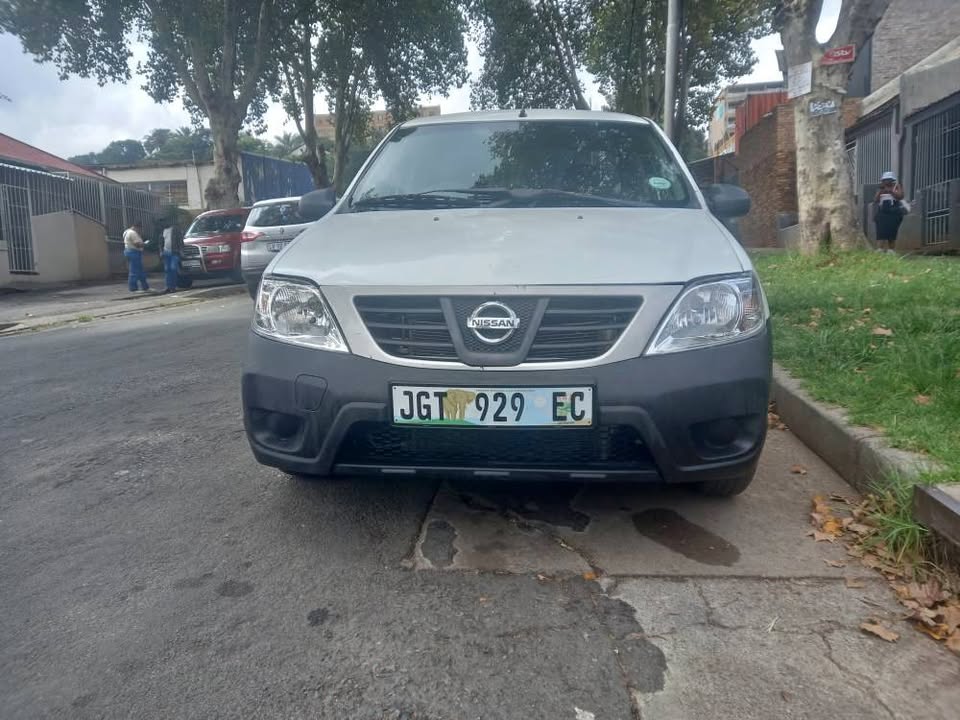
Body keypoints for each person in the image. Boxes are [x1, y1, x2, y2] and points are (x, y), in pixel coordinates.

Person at [874, 171, 905, 254]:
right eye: (884, 180)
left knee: (892, 233)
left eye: (888, 179)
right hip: (882, 214)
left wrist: (891, 191)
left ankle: (891, 250)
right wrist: (881, 191)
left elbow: (900, 196)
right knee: (881, 233)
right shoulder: (880, 188)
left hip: (894, 214)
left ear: (892, 180)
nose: (886, 181)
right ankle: (879, 249)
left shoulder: (897, 186)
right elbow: (876, 200)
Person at [122, 221, 150, 292]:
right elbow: (137, 244)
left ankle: (145, 287)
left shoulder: (126, 232)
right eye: (140, 229)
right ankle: (133, 288)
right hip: (134, 252)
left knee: (140, 271)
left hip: (129, 251)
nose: (140, 230)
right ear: (137, 227)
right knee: (134, 271)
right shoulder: (133, 233)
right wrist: (145, 244)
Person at [161, 219, 183, 294]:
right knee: (167, 270)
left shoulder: (175, 229)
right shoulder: (163, 231)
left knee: (173, 268)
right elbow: (160, 242)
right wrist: (161, 251)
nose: (164, 224)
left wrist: (180, 250)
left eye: (165, 222)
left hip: (174, 252)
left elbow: (180, 240)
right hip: (166, 252)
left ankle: (173, 286)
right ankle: (168, 286)